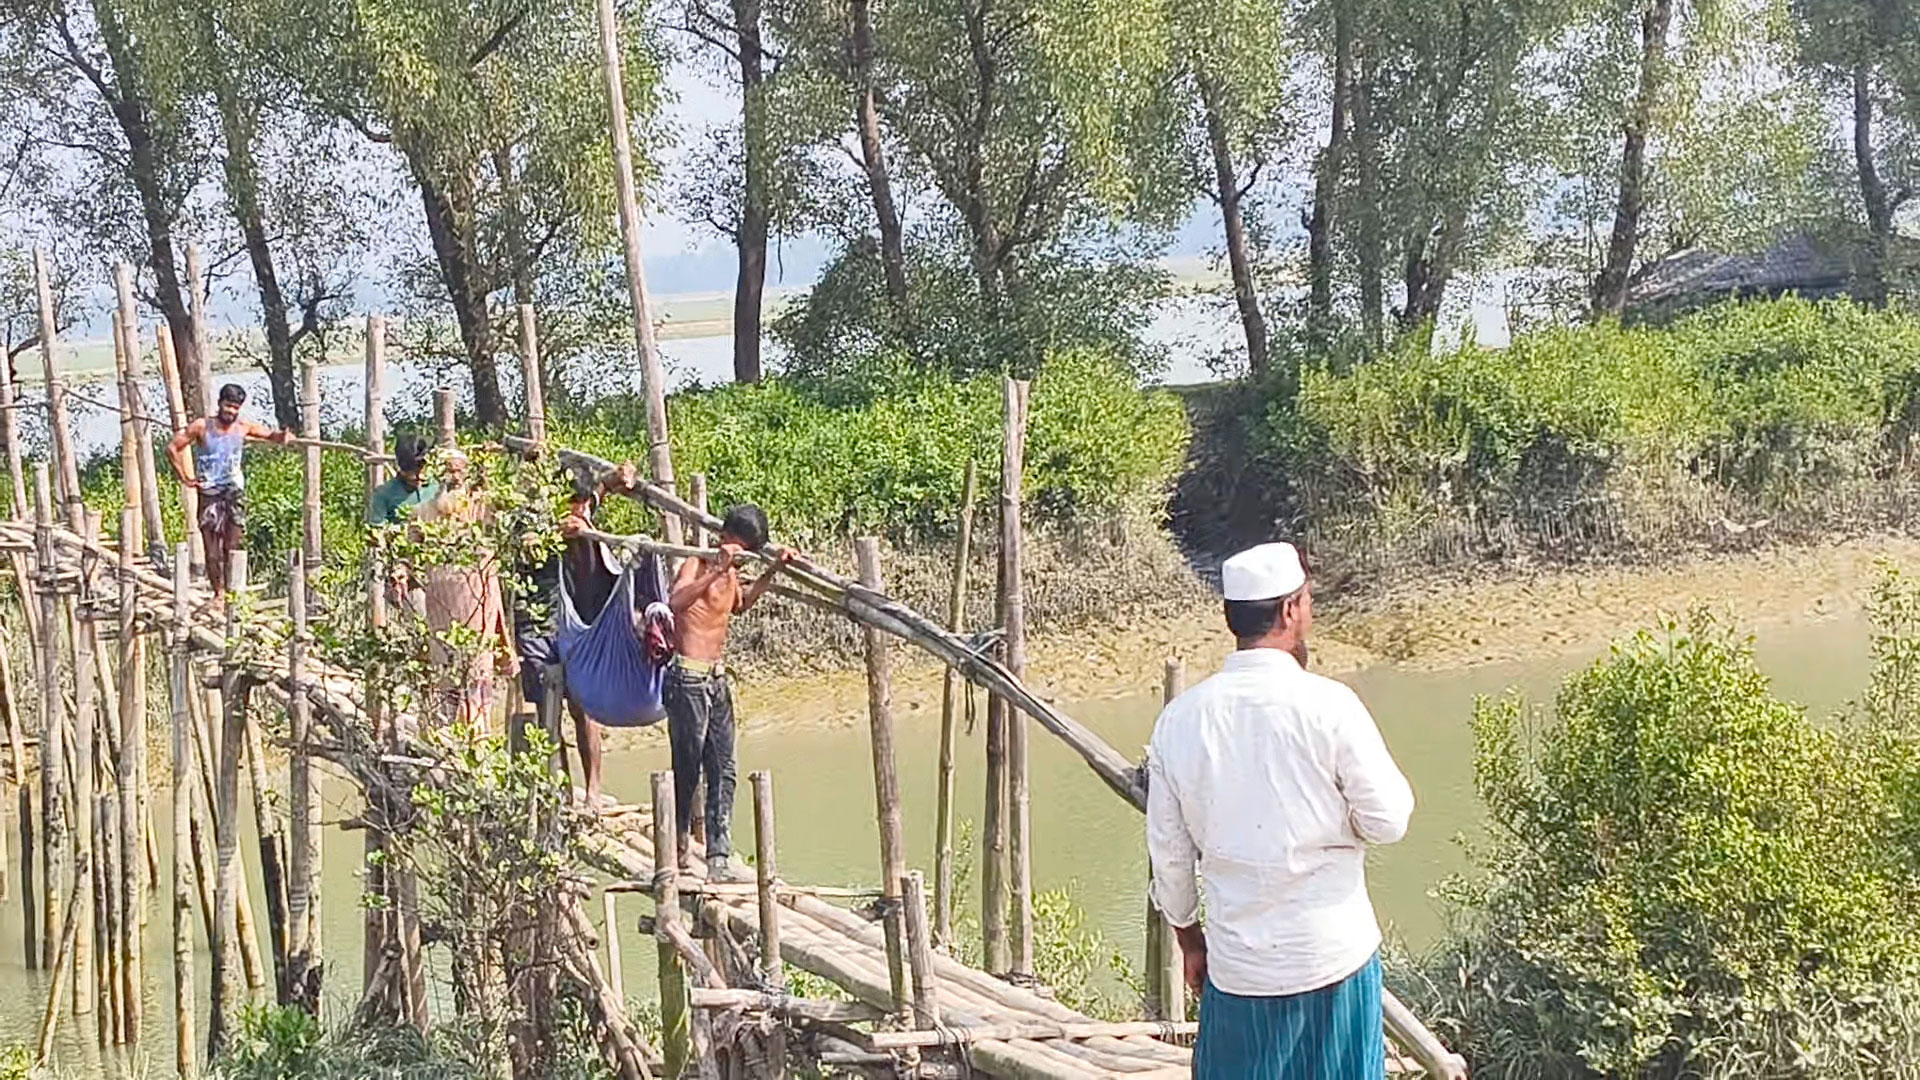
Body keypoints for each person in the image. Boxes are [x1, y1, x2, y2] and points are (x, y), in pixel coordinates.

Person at [1146, 541, 1414, 1080]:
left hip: (1240, 969)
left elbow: (1171, 861)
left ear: (1233, 619)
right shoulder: (1331, 706)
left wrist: (1189, 940)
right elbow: (1389, 820)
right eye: (1308, 601)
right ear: (1292, 610)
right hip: (1333, 959)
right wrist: (1342, 824)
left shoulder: (1181, 720)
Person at [666, 504, 794, 882]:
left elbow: (739, 606)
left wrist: (772, 570)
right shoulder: (697, 562)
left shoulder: (733, 573)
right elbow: (676, 603)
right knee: (688, 768)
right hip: (687, 677)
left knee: (724, 768)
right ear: (725, 539)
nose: (741, 556)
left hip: (718, 679)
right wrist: (719, 568)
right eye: (740, 548)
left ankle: (718, 854)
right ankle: (679, 846)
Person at [511, 461, 640, 803]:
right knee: (548, 714)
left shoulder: (581, 507)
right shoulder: (531, 520)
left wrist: (619, 476)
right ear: (557, 499)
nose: (581, 510)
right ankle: (564, 790)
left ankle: (593, 789)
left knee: (584, 708)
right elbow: (527, 546)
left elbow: (601, 489)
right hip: (537, 626)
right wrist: (554, 534)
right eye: (575, 503)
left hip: (575, 626)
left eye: (584, 504)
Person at [413, 448, 512, 728]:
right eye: (449, 470)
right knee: (446, 675)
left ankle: (478, 739)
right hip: (441, 611)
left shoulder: (480, 506)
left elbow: (502, 510)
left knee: (478, 674)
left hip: (477, 609)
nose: (454, 477)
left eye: (459, 470)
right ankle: (448, 742)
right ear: (438, 473)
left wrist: (488, 469)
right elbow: (408, 555)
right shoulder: (422, 513)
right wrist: (400, 570)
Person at [166, 383, 292, 597]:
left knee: (232, 547)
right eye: (228, 406)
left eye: (235, 407)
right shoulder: (201, 426)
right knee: (212, 552)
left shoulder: (242, 426)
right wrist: (185, 477)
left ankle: (233, 593)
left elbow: (271, 435)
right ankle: (219, 594)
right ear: (219, 404)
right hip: (209, 494)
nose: (231, 412)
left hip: (234, 492)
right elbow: (172, 448)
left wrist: (283, 436)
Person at [368, 432, 440, 525]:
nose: (419, 477)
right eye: (412, 472)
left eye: (422, 470)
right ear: (401, 469)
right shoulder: (383, 494)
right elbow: (377, 530)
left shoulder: (437, 488)